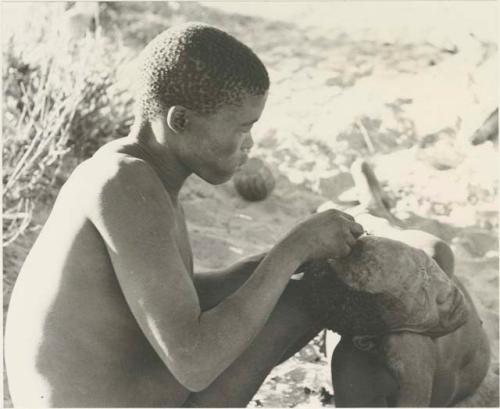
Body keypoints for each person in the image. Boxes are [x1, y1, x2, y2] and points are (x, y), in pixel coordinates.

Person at [4, 22, 365, 407]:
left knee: (304, 284)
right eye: (242, 128)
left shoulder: (133, 173)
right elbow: (193, 362)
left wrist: (293, 258)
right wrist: (291, 252)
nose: (250, 144)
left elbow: (175, 299)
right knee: (305, 300)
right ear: (180, 121)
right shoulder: (126, 185)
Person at [328, 161, 490, 407]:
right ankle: (371, 212)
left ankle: (371, 212)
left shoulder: (410, 327)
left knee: (390, 245)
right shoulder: (401, 347)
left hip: (461, 366)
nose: (448, 295)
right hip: (463, 370)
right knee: (376, 245)